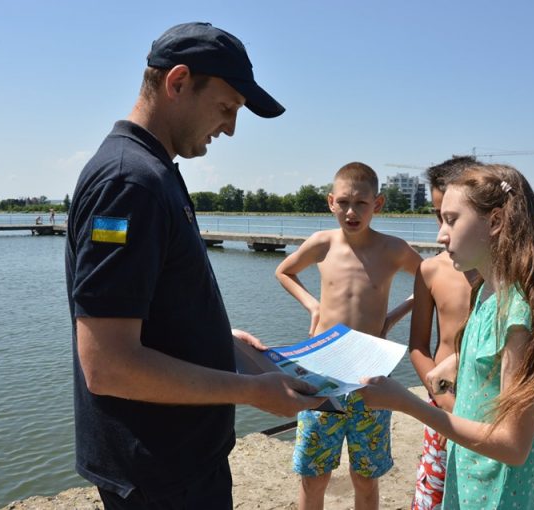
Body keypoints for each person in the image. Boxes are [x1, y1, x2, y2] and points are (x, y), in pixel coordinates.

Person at [65, 22, 325, 510]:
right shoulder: (130, 183)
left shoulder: (152, 172)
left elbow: (153, 314)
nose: (229, 127)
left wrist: (220, 342)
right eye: (227, 108)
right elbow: (109, 364)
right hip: (160, 472)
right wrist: (252, 392)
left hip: (178, 462)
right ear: (178, 82)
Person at [360, 164, 534, 509]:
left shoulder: (517, 316)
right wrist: (455, 361)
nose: (440, 235)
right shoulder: (486, 294)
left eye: (452, 220)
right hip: (469, 480)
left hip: (497, 496)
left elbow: (513, 445)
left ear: (494, 222)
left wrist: (407, 403)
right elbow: (489, 353)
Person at [275, 162, 422, 510]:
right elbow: (284, 271)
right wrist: (313, 307)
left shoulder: (393, 249)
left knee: (366, 476)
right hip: (321, 374)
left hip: (369, 375)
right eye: (343, 202)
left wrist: (395, 315)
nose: (351, 212)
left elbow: (432, 278)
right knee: (314, 476)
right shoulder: (321, 243)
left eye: (361, 204)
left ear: (379, 204)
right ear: (330, 202)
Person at [407, 156, 482, 510]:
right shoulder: (430, 270)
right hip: (441, 401)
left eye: (451, 217)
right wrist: (438, 395)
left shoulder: (502, 278)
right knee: (433, 493)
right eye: (438, 215)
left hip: (485, 405)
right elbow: (418, 346)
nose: (443, 228)